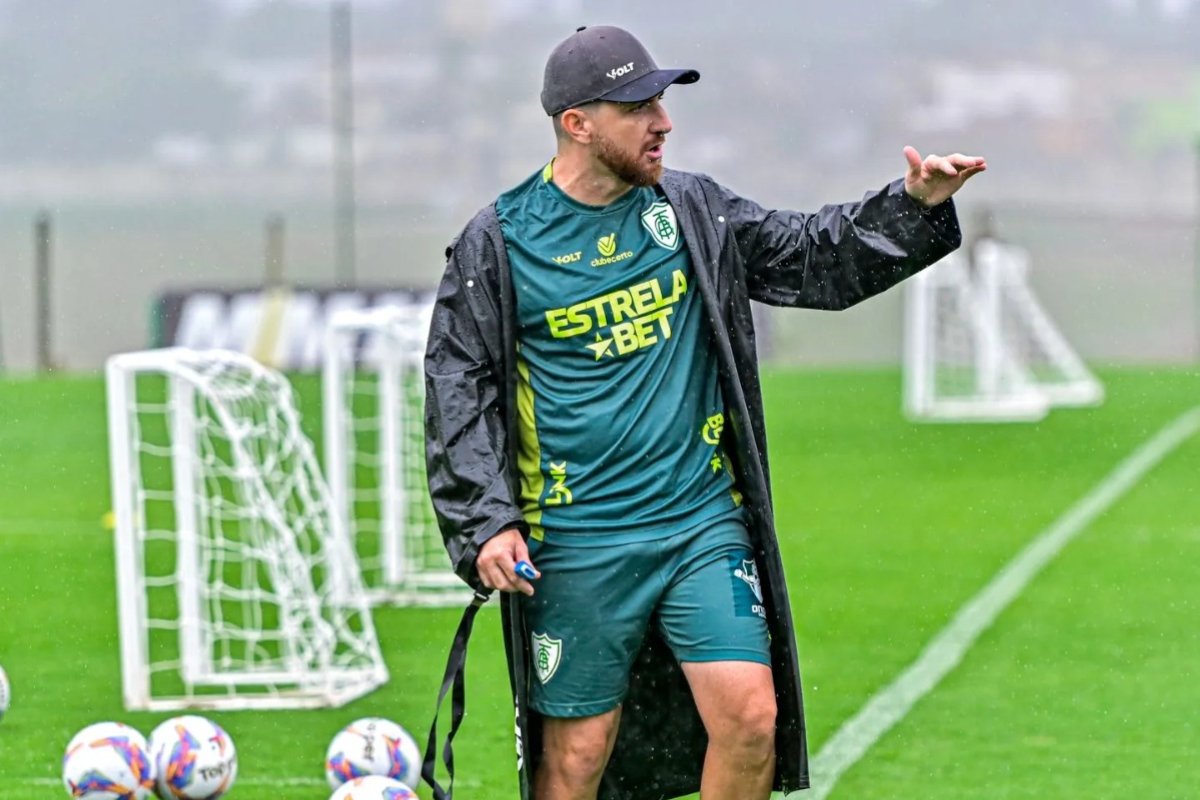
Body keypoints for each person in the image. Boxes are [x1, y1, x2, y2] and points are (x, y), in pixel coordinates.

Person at [423, 24, 985, 800]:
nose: (663, 122)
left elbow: (810, 255)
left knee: (752, 717)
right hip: (577, 540)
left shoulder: (691, 210)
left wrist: (911, 206)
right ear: (576, 124)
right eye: (637, 107)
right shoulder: (500, 240)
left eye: (661, 101)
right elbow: (459, 385)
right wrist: (486, 520)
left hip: (699, 522)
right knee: (577, 759)